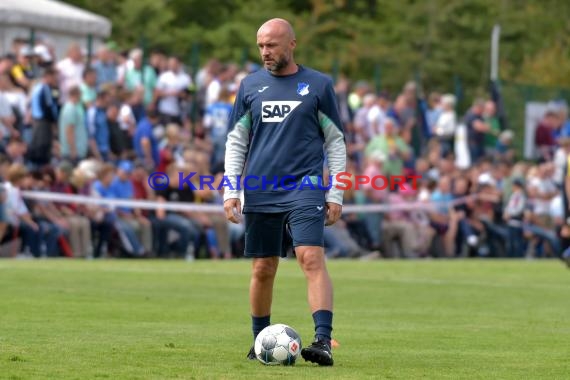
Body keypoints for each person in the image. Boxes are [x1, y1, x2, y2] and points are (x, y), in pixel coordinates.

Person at [223, 18, 346, 366]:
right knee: (263, 266)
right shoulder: (249, 87)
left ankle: (322, 340)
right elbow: (236, 142)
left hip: (305, 185)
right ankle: (259, 339)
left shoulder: (319, 85)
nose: (265, 51)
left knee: (311, 257)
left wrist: (336, 192)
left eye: (272, 45)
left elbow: (336, 141)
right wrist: (230, 190)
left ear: (291, 44)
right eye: (261, 45)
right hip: (260, 188)